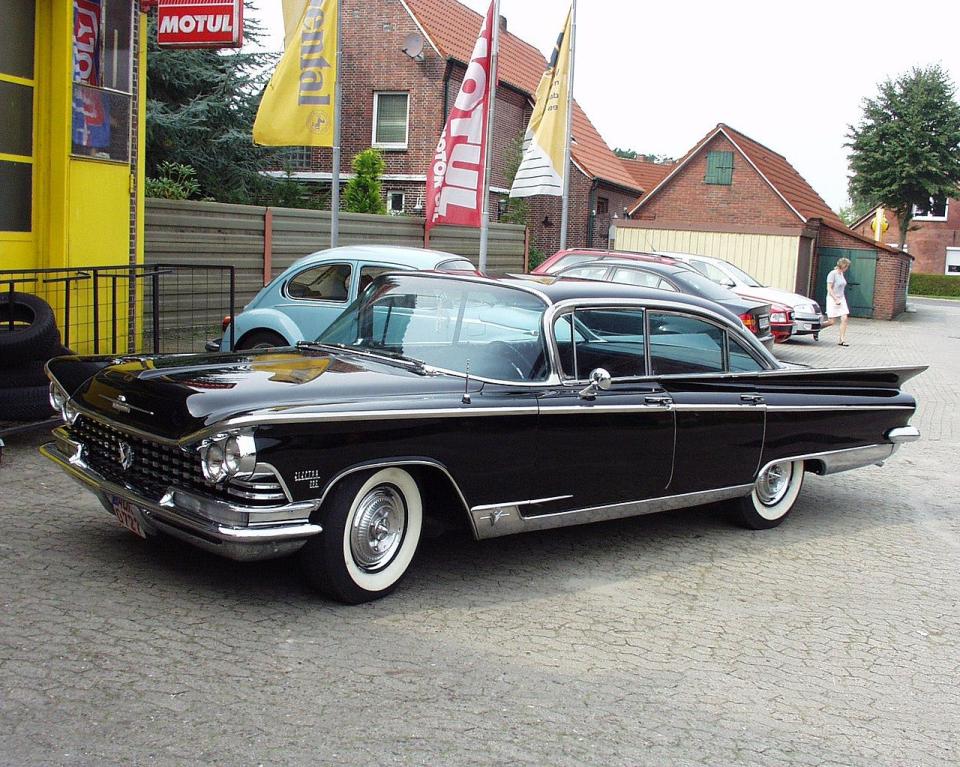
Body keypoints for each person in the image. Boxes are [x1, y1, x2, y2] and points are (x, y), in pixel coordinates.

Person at [822, 257, 851, 346]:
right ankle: (817, 327)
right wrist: (835, 299)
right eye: (846, 267)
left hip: (841, 298)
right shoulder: (832, 274)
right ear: (843, 266)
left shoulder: (841, 274)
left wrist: (840, 299)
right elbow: (829, 288)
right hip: (832, 298)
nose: (847, 269)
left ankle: (841, 339)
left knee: (844, 318)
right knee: (831, 321)